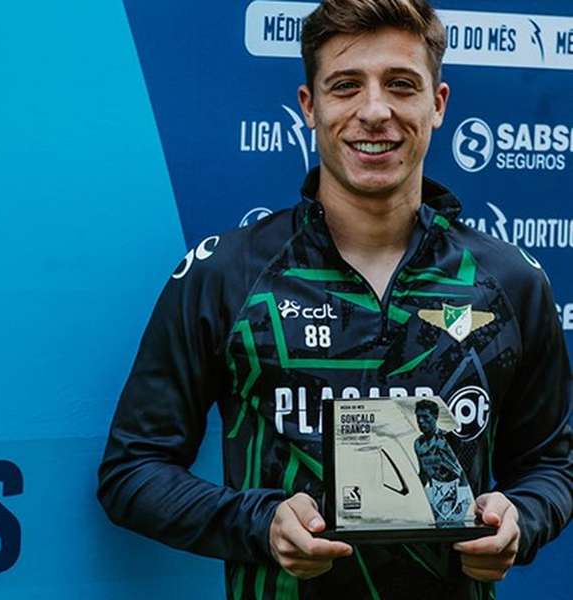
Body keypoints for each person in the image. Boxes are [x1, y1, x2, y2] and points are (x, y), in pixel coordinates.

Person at [97, 0, 573, 598]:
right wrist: (260, 523)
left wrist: (520, 521)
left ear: (438, 104)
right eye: (346, 86)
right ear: (310, 107)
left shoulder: (511, 280)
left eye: (401, 85)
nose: (375, 111)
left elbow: (552, 467)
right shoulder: (226, 273)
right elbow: (131, 472)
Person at [413, 399, 474, 524]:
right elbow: (423, 473)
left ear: (435, 417)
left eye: (425, 417)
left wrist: (462, 499)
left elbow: (461, 473)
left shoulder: (447, 440)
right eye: (418, 417)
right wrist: (414, 494)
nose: (420, 421)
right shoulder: (418, 443)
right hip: (434, 493)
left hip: (454, 493)